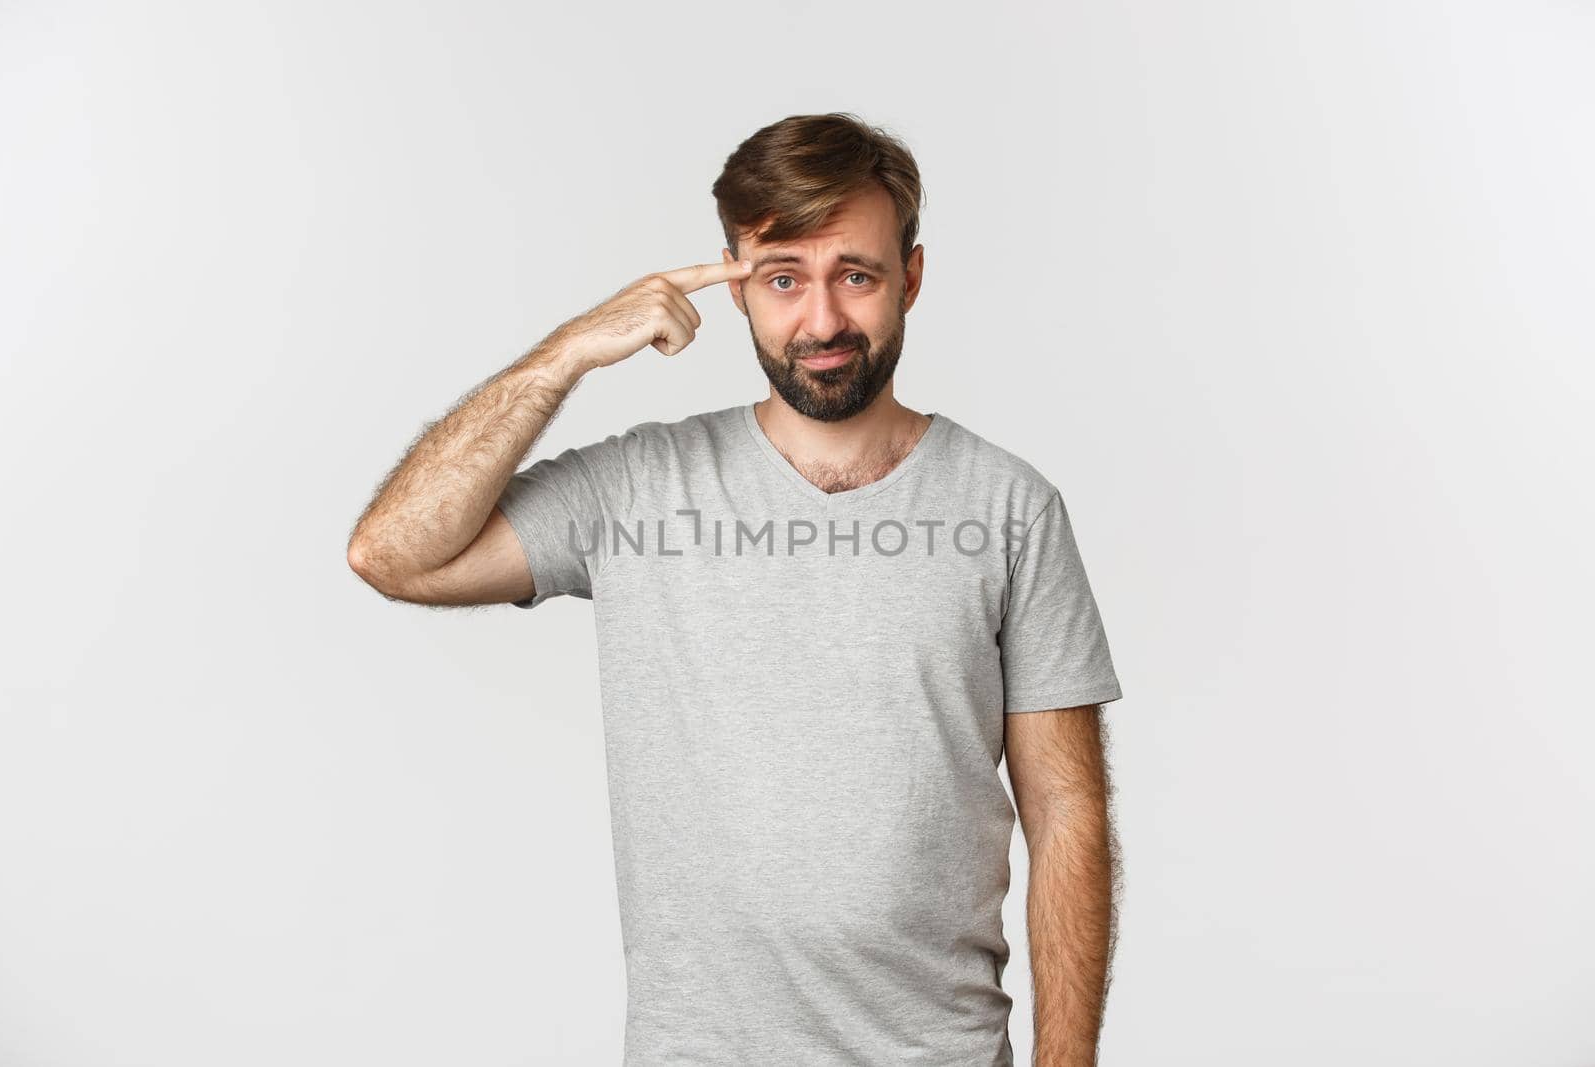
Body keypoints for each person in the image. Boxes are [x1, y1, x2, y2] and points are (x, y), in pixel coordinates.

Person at [348, 112, 1124, 1067]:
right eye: (783, 279)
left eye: (858, 274)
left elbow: (1068, 811)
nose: (823, 320)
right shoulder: (638, 487)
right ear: (733, 282)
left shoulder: (1011, 507)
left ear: (911, 277)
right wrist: (568, 354)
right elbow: (394, 553)